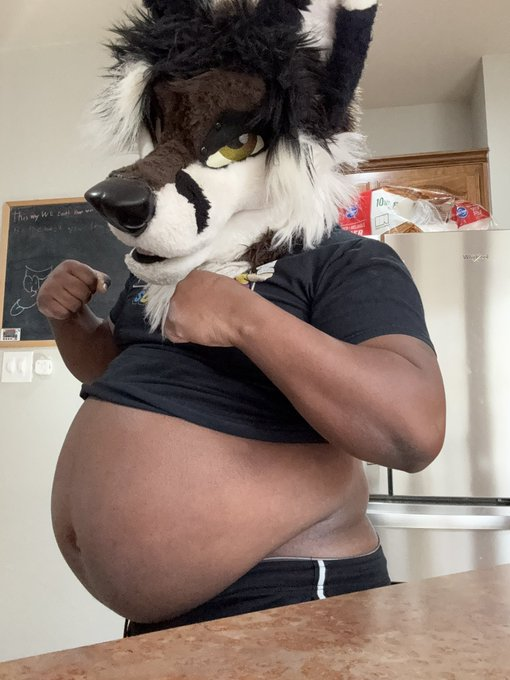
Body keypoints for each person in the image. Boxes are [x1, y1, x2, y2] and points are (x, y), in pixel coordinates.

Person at [37, 226, 445, 636]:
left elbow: (413, 432)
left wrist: (242, 317)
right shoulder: (164, 263)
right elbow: (123, 376)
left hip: (285, 590)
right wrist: (71, 320)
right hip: (160, 619)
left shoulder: (343, 257)